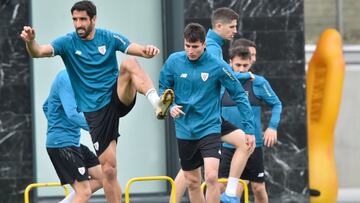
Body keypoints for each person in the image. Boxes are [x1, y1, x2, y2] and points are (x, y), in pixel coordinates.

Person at [20, 1, 174, 202]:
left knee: (129, 64)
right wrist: (30, 41)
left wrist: (148, 49)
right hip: (96, 113)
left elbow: (136, 49)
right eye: (75, 19)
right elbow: (38, 52)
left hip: (116, 96)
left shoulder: (108, 37)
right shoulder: (67, 43)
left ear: (93, 19)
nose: (78, 24)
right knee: (109, 170)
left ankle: (156, 102)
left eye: (82, 19)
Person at [160, 22, 254, 203]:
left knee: (211, 176)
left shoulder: (217, 65)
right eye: (187, 46)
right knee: (193, 182)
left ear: (204, 44)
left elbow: (239, 95)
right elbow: (163, 86)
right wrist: (169, 107)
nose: (190, 51)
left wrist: (249, 129)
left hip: (209, 127)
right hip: (184, 129)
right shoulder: (174, 61)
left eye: (195, 47)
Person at [220, 44, 282, 203]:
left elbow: (276, 104)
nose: (241, 69)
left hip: (252, 144)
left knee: (258, 188)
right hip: (227, 146)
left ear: (250, 63)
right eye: (237, 65)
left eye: (245, 65)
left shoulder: (258, 83)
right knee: (223, 188)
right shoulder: (222, 83)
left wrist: (272, 127)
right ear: (230, 62)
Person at [44, 69, 102, 203]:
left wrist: (59, 126)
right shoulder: (66, 78)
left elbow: (46, 106)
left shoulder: (75, 78)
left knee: (102, 177)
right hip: (62, 145)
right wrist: (98, 129)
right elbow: (72, 114)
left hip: (72, 142)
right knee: (84, 193)